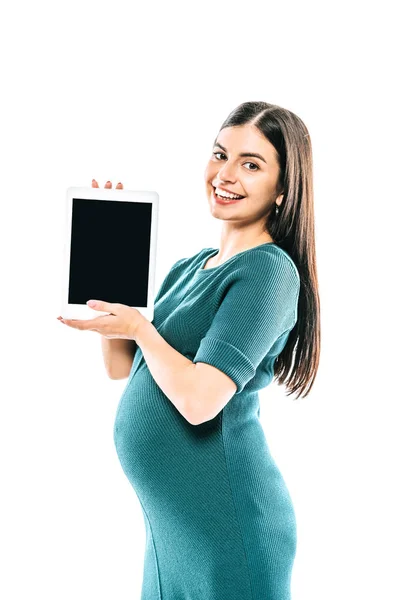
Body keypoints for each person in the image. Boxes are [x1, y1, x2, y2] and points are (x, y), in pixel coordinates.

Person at [58, 101, 320, 599]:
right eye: (220, 155)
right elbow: (123, 368)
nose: (225, 174)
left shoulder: (268, 271)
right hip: (170, 531)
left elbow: (200, 401)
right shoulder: (187, 269)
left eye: (251, 164)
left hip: (229, 528)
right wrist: (114, 272)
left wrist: (141, 327)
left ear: (284, 189)